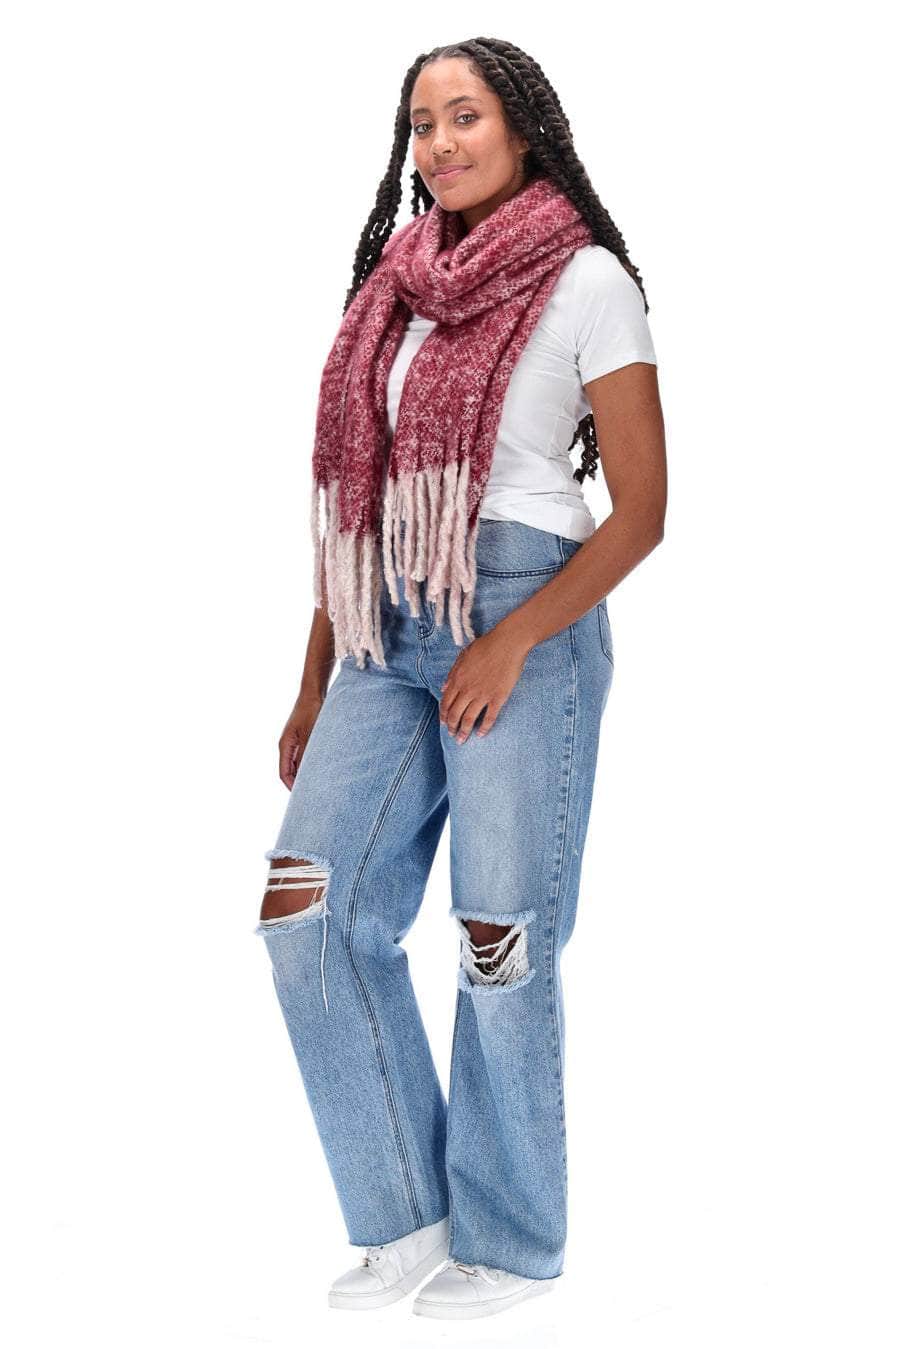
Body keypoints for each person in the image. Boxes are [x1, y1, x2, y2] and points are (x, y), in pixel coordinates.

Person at [254, 37, 667, 1321]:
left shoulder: (587, 280)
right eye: (422, 121)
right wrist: (315, 678)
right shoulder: (395, 282)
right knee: (306, 908)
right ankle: (405, 1215)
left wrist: (516, 635)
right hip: (381, 621)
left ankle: (513, 1238)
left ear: (525, 128)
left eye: (466, 115)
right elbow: (361, 497)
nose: (439, 142)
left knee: (500, 938)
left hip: (522, 610)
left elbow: (643, 511)